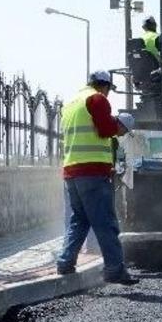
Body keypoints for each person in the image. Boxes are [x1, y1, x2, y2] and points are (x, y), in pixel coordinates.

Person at [56, 70, 139, 285]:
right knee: (106, 223)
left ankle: (65, 262)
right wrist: (115, 124)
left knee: (80, 219)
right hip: (92, 172)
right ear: (105, 86)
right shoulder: (97, 99)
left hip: (71, 171)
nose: (108, 94)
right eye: (109, 89)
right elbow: (105, 129)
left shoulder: (70, 103)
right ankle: (114, 269)